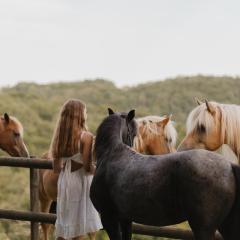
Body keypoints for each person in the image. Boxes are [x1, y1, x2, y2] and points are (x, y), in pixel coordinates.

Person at [50, 99, 102, 240]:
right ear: (79, 115)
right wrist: (101, 172)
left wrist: (68, 165)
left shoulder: (59, 137)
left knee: (65, 223)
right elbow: (87, 167)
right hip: (80, 182)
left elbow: (56, 168)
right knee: (79, 226)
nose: (87, 114)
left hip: (64, 182)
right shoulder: (86, 137)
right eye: (85, 111)